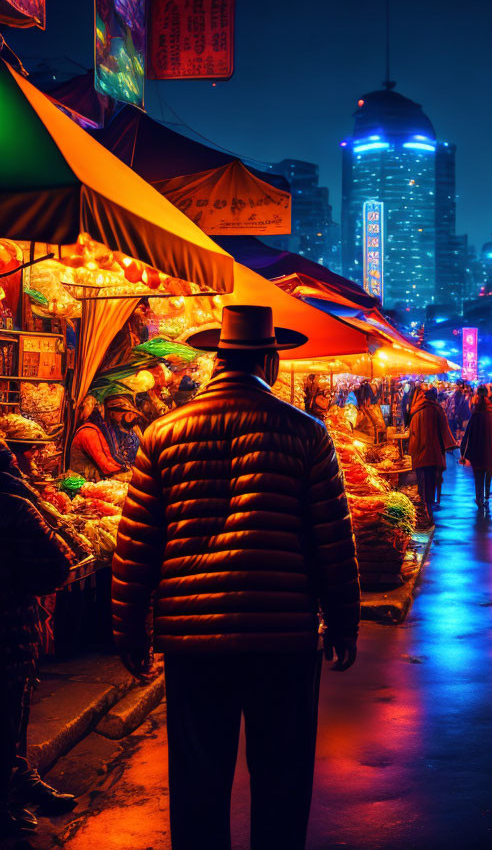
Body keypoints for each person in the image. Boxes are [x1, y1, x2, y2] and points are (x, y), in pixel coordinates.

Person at [111, 305, 360, 850]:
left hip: (193, 640)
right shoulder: (306, 433)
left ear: (217, 360)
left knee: (198, 784)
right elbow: (332, 541)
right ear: (269, 361)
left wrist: (128, 630)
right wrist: (344, 623)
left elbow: (136, 546)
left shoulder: (160, 434)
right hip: (283, 639)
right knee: (282, 780)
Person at [1, 440, 75, 839]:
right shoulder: (16, 504)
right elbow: (57, 564)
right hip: (10, 626)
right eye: (22, 455)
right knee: (9, 712)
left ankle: (20, 780)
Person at [408, 384, 458, 523]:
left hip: (420, 454)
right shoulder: (438, 410)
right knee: (431, 483)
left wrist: (412, 453)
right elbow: (445, 431)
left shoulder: (416, 411)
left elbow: (413, 435)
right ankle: (429, 512)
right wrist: (450, 446)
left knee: (422, 484)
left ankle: (426, 511)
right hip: (434, 454)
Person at [69, 394, 143, 480]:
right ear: (112, 414)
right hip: (82, 484)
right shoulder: (89, 432)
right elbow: (107, 467)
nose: (129, 418)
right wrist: (131, 471)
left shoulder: (111, 432)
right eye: (125, 414)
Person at [459, 385, 492, 509]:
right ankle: (486, 497)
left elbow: (467, 435)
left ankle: (479, 498)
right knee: (488, 475)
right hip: (490, 452)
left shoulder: (475, 415)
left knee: (478, 477)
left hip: (476, 452)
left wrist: (462, 452)